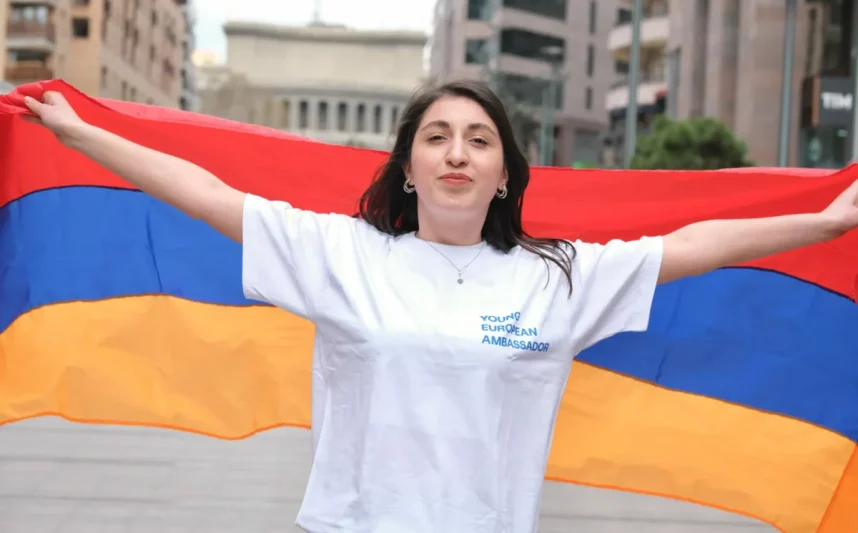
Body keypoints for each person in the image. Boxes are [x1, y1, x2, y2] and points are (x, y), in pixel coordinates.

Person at [23, 80, 858, 533]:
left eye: (480, 139)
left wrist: (825, 221)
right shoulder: (345, 252)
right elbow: (207, 194)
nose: (457, 152)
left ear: (503, 176)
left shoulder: (558, 275)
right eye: (437, 137)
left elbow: (695, 244)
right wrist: (80, 133)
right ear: (410, 168)